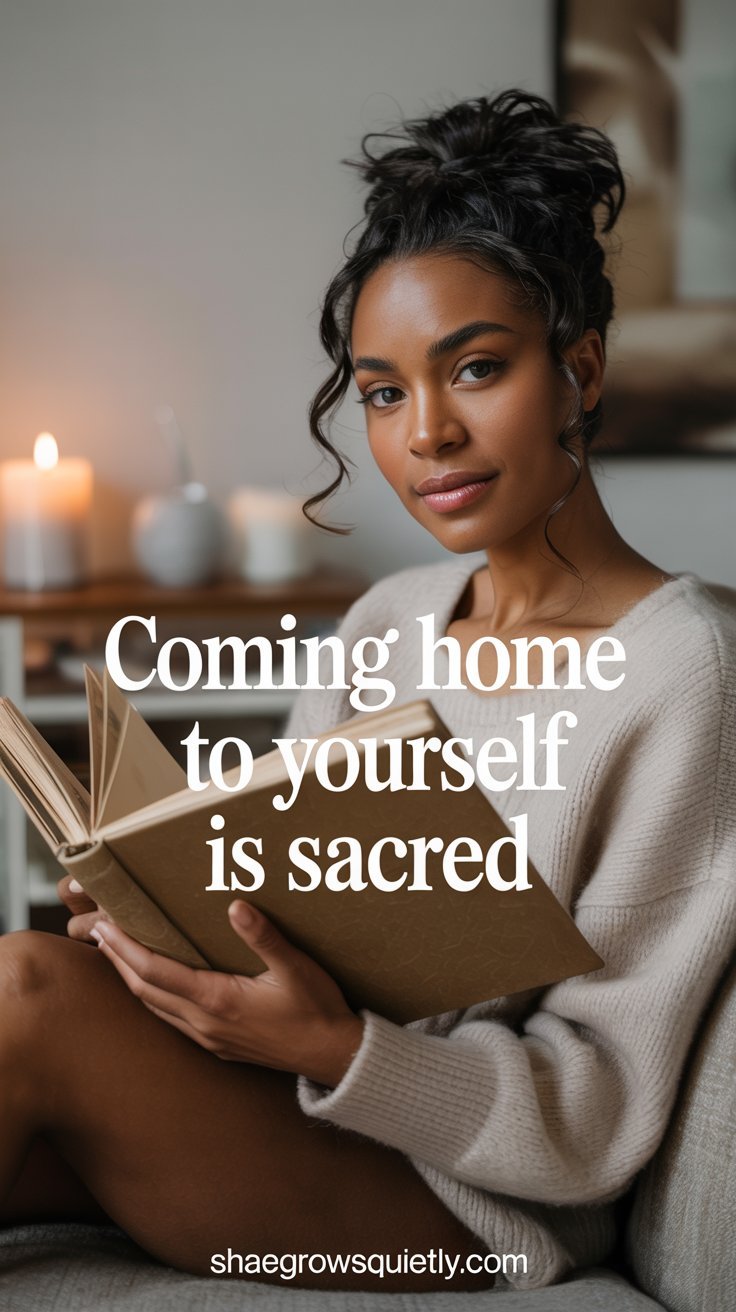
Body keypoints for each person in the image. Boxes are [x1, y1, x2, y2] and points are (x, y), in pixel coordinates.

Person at [1, 89, 734, 1295]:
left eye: (477, 369)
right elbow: (296, 905)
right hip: (295, 1108)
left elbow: (600, 1110)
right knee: (51, 970)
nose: (425, 434)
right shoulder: (390, 619)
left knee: (25, 990)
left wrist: (339, 1046)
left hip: (465, 1201)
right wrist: (167, 916)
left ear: (579, 368)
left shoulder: (683, 669)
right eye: (384, 393)